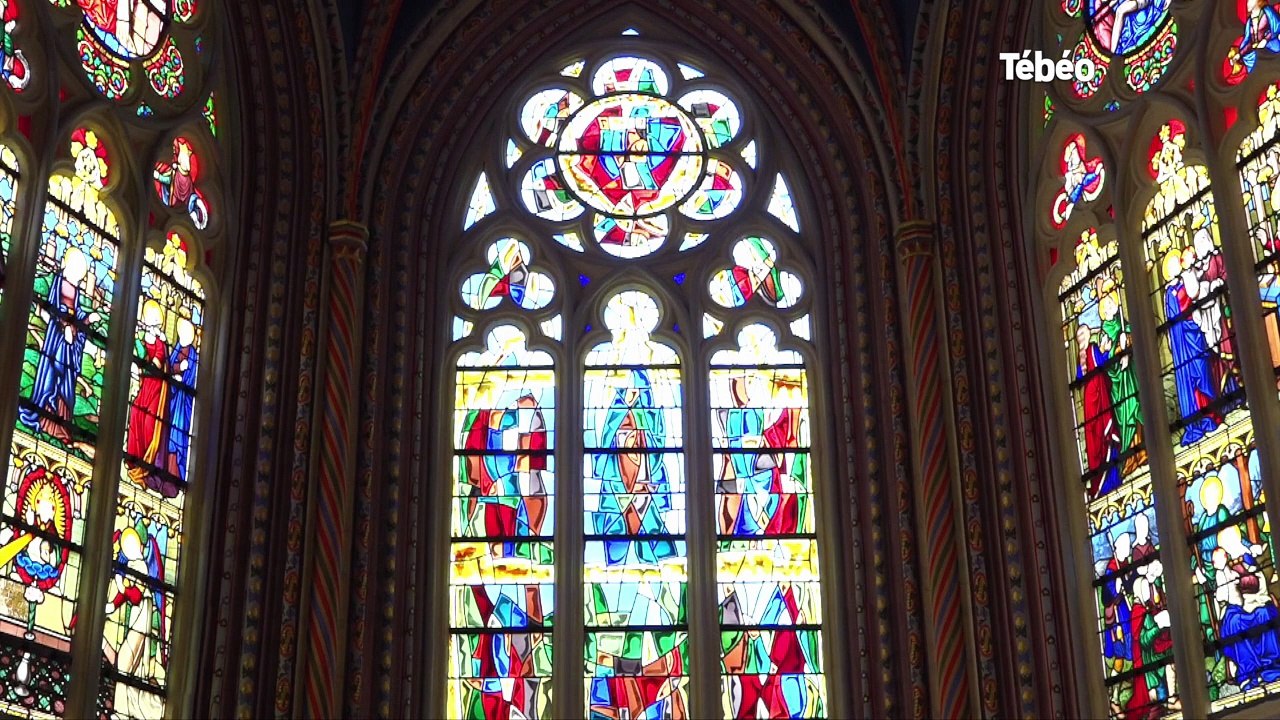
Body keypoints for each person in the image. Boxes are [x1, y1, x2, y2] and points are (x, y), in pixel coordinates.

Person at [20, 247, 100, 442]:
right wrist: (64, 326)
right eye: (77, 274)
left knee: (67, 380)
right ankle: (46, 419)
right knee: (53, 375)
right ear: (68, 266)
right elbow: (55, 307)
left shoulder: (76, 289)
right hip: (57, 338)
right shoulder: (58, 282)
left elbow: (77, 312)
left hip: (70, 342)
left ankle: (62, 424)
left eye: (81, 277)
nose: (78, 279)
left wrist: (88, 318)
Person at [1162, 251, 1221, 444]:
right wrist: (1171, 340)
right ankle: (1193, 423)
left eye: (1175, 264)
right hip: (1179, 341)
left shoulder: (1187, 282)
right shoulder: (1167, 294)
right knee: (1185, 380)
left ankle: (1210, 415)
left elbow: (1195, 297)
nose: (1175, 268)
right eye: (1171, 266)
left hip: (1192, 333)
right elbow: (1168, 320)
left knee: (1202, 372)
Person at [125, 301, 172, 489]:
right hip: (145, 385)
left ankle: (147, 466)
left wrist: (150, 360)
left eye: (154, 318)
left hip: (156, 388)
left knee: (150, 422)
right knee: (136, 415)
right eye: (148, 317)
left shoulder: (160, 342)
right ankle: (134, 462)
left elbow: (159, 363)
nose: (151, 321)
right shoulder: (142, 338)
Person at [1077, 324, 1121, 495]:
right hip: (1098, 394)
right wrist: (1106, 348)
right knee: (1105, 437)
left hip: (1090, 397)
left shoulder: (1082, 358)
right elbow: (1103, 362)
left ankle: (1099, 482)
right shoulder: (1092, 349)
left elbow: (1079, 376)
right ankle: (1110, 481)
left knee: (1095, 438)